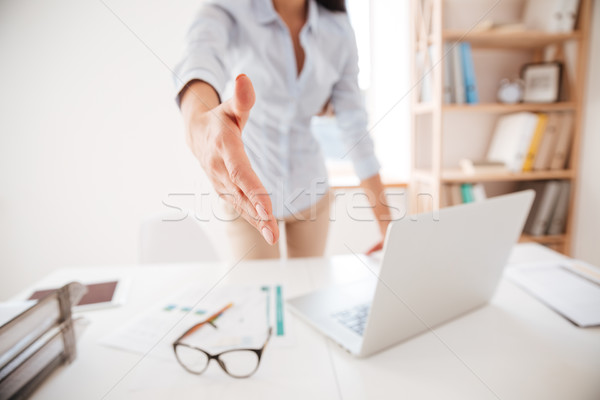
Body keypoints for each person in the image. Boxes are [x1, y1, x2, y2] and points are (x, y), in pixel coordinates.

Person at [174, 0, 391, 260]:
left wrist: (387, 227)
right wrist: (199, 123)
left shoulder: (339, 29)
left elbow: (354, 126)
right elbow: (200, 54)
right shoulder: (231, 9)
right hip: (250, 193)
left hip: (311, 193)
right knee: (260, 296)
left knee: (310, 296)